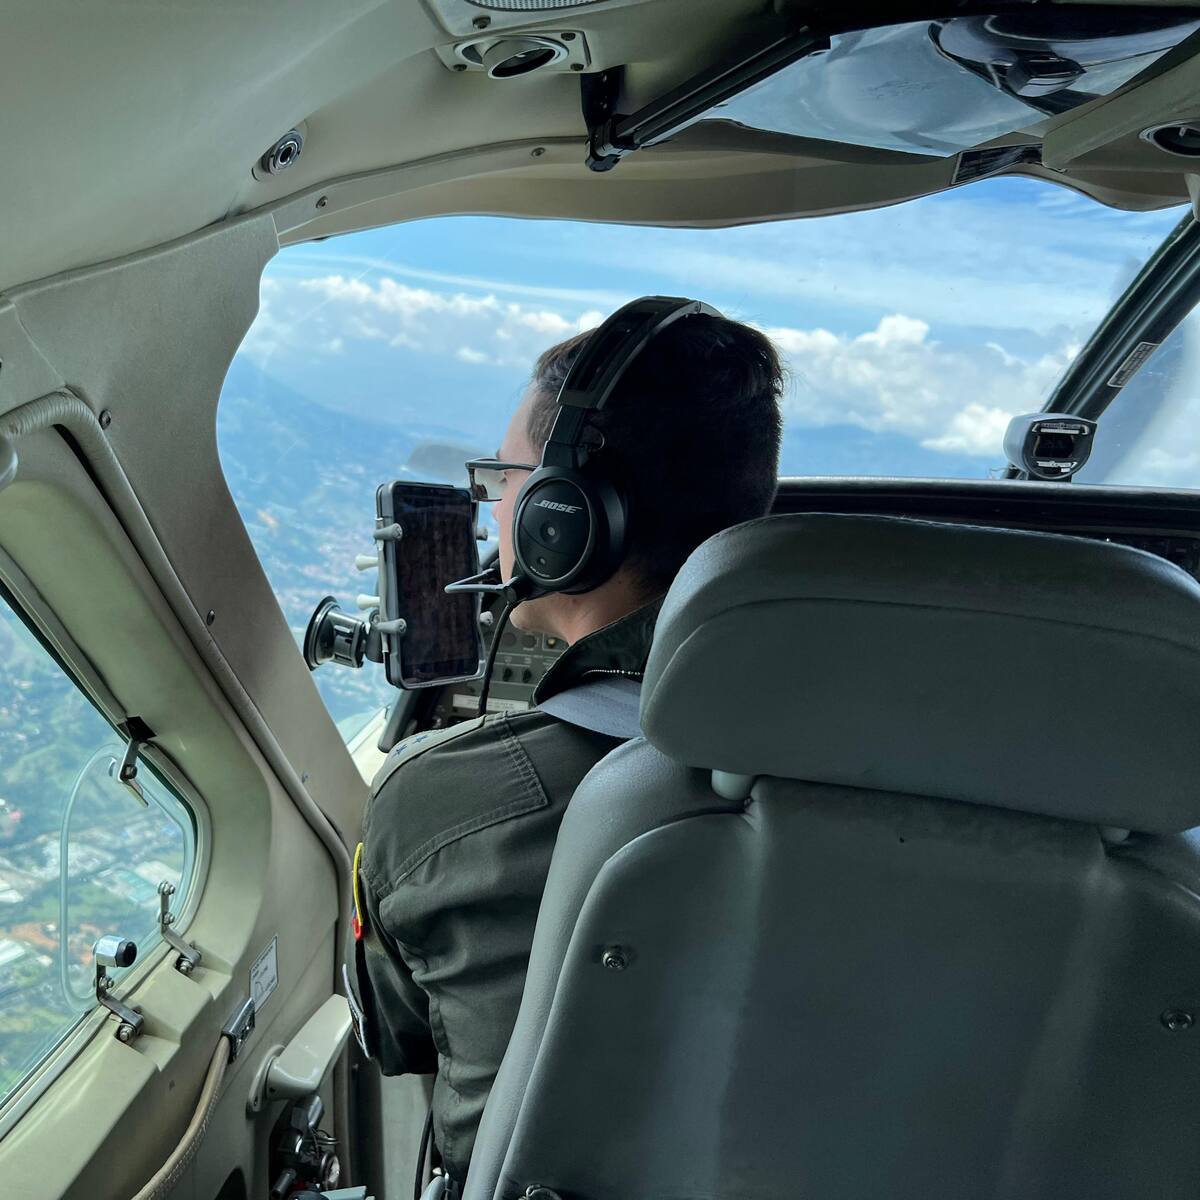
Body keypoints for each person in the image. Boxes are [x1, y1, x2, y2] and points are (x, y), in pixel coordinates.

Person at [345, 305, 784, 1186]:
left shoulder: (442, 801)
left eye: (508, 478)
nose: (499, 507)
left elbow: (397, 1040)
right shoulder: (941, 786)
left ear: (563, 516)